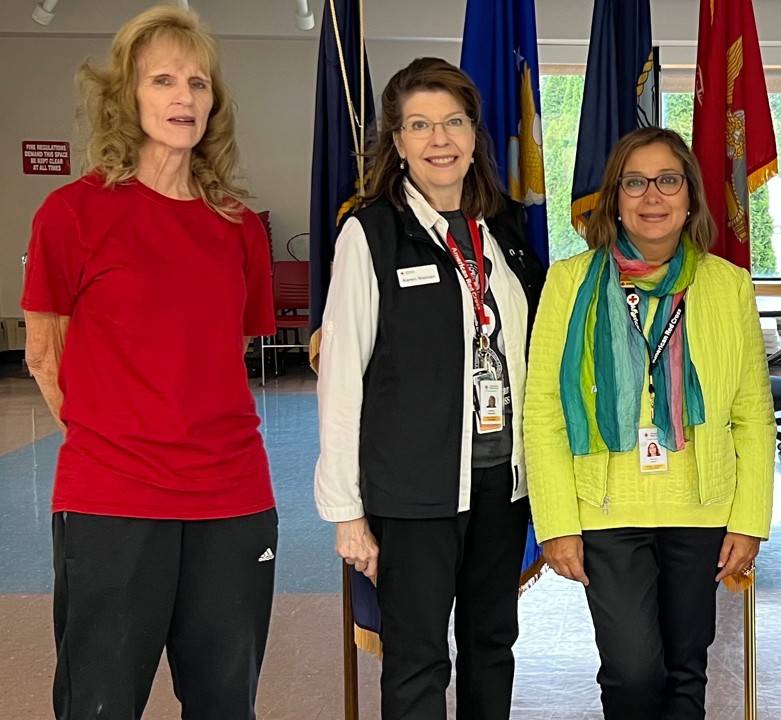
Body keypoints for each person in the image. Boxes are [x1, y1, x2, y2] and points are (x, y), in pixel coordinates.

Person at [21, 7, 276, 718]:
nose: (183, 97)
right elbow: (44, 355)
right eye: (162, 80)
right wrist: (118, 437)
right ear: (126, 98)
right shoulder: (71, 214)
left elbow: (228, 352)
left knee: (227, 703)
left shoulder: (237, 227)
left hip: (233, 497)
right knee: (98, 702)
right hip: (112, 498)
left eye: (198, 83)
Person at [312, 57, 544, 719]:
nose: (439, 139)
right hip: (414, 495)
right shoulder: (371, 233)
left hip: (502, 486)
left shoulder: (504, 234)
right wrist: (347, 511)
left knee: (492, 645)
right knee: (416, 659)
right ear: (399, 142)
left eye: (452, 122)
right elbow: (341, 376)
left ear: (474, 135)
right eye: (420, 125)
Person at [524, 127, 774, 720]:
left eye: (668, 180)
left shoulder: (727, 284)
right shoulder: (568, 282)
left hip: (704, 505)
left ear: (689, 197)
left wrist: (751, 519)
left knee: (687, 670)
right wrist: (555, 523)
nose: (652, 196)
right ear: (614, 198)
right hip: (607, 506)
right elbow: (543, 410)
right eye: (634, 182)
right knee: (633, 671)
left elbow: (752, 412)